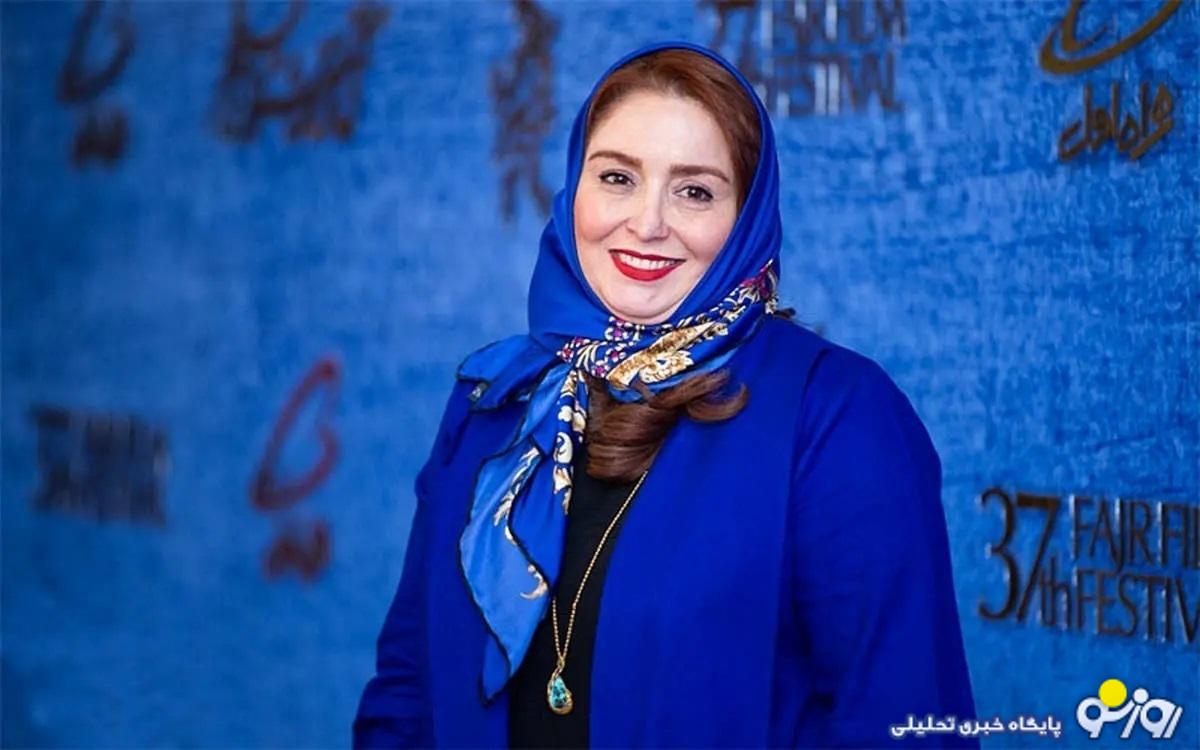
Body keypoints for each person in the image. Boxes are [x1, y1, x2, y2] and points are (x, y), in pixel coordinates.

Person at [353, 40, 978, 749]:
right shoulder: (495, 403)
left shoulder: (836, 416)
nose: (647, 223)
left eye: (695, 191)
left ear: (746, 220)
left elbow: (903, 724)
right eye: (617, 177)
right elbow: (408, 694)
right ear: (574, 189)